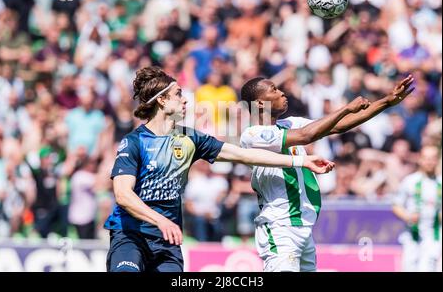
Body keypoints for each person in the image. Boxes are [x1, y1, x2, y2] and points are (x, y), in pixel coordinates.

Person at [104, 66, 340, 273]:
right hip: (131, 236)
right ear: (162, 101)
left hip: (167, 241)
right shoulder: (133, 142)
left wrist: (301, 161)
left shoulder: (189, 138)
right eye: (179, 95)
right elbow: (123, 195)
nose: (185, 100)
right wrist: (161, 220)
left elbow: (243, 154)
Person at [239, 74, 415, 272]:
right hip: (280, 226)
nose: (282, 93)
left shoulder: (289, 124)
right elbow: (308, 135)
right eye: (274, 90)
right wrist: (346, 108)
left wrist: (387, 101)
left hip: (302, 226)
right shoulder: (253, 135)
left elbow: (337, 125)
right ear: (260, 103)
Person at [392, 145, 442, 272]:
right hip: (412, 235)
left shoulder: (440, 183)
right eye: (426, 158)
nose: (430, 162)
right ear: (420, 159)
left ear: (437, 160)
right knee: (408, 268)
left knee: (427, 268)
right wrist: (408, 217)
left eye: (433, 158)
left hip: (433, 235)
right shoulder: (410, 181)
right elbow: (396, 205)